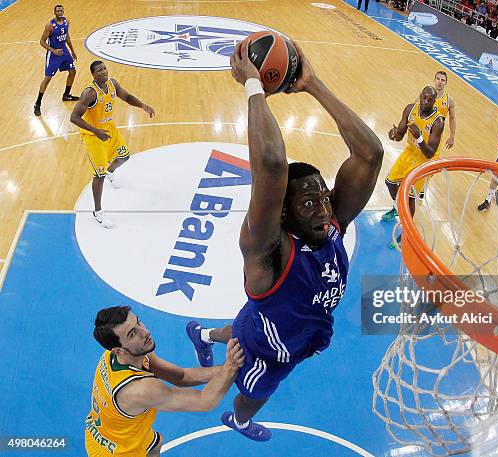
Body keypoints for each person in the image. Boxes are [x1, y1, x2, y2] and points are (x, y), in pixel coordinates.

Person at [186, 40, 383, 442]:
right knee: (254, 394)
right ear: (282, 214)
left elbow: (370, 154)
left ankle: (201, 334)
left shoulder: (330, 226)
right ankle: (238, 421)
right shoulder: (268, 250)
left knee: (237, 327)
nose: (323, 208)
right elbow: (273, 166)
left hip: (275, 324)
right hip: (269, 352)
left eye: (324, 196)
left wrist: (313, 84)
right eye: (308, 202)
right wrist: (253, 87)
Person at [85, 306, 245, 456]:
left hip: (112, 432)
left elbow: (182, 377)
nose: (145, 332)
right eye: (132, 334)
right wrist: (231, 367)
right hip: (119, 452)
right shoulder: (139, 389)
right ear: (119, 350)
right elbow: (204, 401)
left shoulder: (123, 355)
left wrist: (231, 366)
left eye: (139, 322)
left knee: (156, 442)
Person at [70, 61, 155, 229]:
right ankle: (98, 212)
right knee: (98, 176)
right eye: (99, 70)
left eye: (104, 68)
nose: (103, 72)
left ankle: (110, 171)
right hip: (93, 136)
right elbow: (74, 117)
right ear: (93, 75)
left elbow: (127, 97)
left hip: (109, 129)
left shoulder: (113, 84)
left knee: (124, 156)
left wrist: (143, 106)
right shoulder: (89, 93)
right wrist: (96, 131)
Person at [380, 86, 444, 222]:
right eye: (424, 97)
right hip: (411, 151)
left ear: (434, 101)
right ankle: (397, 207)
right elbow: (399, 135)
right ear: (420, 96)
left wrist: (419, 137)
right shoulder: (410, 109)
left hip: (425, 161)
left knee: (409, 197)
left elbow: (430, 153)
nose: (426, 101)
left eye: (430, 99)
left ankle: (405, 231)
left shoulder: (438, 122)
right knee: (390, 182)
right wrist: (394, 135)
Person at [34, 4, 80, 116]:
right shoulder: (50, 25)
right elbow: (42, 41)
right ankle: (37, 103)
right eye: (58, 11)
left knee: (73, 72)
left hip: (64, 52)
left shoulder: (66, 21)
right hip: (54, 55)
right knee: (47, 79)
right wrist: (53, 50)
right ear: (54, 12)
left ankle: (66, 95)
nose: (60, 12)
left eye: (61, 10)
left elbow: (67, 36)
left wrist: (72, 50)